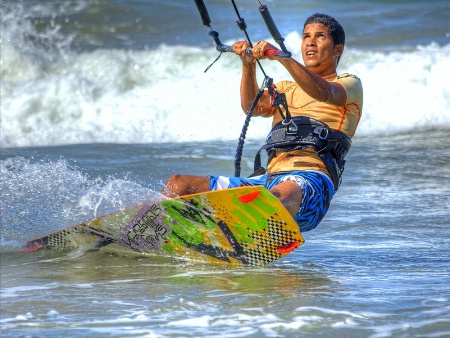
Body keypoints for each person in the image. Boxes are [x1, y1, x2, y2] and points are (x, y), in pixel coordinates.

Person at [161, 13, 363, 233]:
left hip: (310, 184)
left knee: (272, 198)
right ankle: (158, 233)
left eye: (320, 36)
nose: (310, 42)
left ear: (337, 49)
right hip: (267, 181)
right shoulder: (286, 88)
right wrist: (248, 65)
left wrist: (282, 56)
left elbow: (325, 92)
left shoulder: (348, 83)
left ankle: (234, 233)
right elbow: (252, 108)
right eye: (306, 37)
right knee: (178, 184)